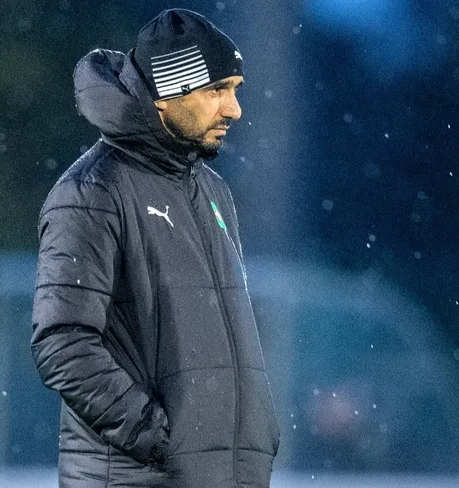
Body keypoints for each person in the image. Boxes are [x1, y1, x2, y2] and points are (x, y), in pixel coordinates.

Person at [30, 9, 280, 488]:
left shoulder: (213, 191)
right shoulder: (92, 192)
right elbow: (62, 341)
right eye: (217, 90)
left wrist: (254, 438)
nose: (234, 109)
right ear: (167, 94)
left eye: (235, 90)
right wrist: (163, 439)